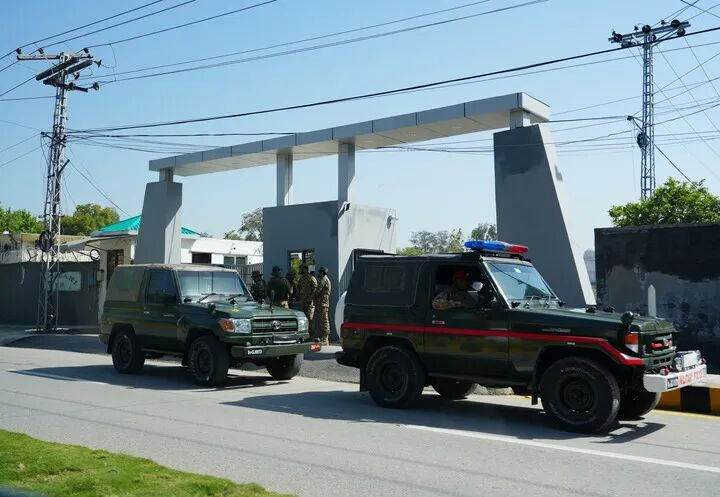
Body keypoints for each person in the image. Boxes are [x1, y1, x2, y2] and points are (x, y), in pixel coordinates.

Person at [313, 266, 332, 345]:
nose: (318, 273)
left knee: (324, 321)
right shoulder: (324, 279)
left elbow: (317, 291)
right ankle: (324, 338)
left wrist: (311, 295)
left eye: (320, 272)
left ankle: (325, 339)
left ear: (323, 273)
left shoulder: (323, 280)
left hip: (322, 304)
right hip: (321, 303)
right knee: (322, 321)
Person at [297, 264, 317, 338]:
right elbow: (298, 288)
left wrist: (310, 299)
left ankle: (312, 337)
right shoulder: (301, 279)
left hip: (309, 303)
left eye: (300, 268)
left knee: (310, 320)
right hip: (303, 302)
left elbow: (315, 290)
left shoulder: (311, 278)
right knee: (304, 320)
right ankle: (305, 336)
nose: (299, 270)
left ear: (305, 269)